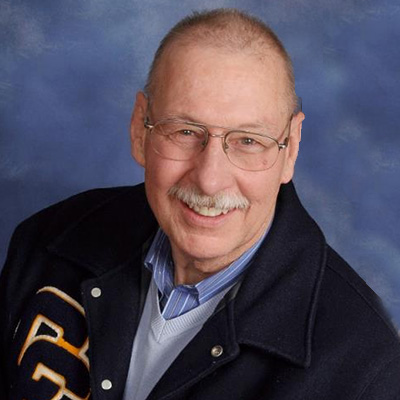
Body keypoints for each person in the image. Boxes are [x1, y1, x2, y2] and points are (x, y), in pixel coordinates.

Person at [1, 8, 400, 400]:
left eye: (248, 141)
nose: (210, 179)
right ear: (140, 128)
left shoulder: (364, 368)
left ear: (290, 148)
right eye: (185, 131)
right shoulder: (47, 243)